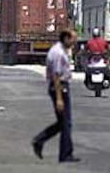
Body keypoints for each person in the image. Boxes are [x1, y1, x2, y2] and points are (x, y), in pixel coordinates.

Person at [32, 29, 80, 163]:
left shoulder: (60, 50)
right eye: (73, 39)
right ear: (66, 38)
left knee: (63, 123)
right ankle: (64, 154)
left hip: (60, 87)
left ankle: (40, 141)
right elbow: (56, 76)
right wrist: (59, 98)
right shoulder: (58, 53)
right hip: (60, 87)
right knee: (66, 123)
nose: (74, 42)